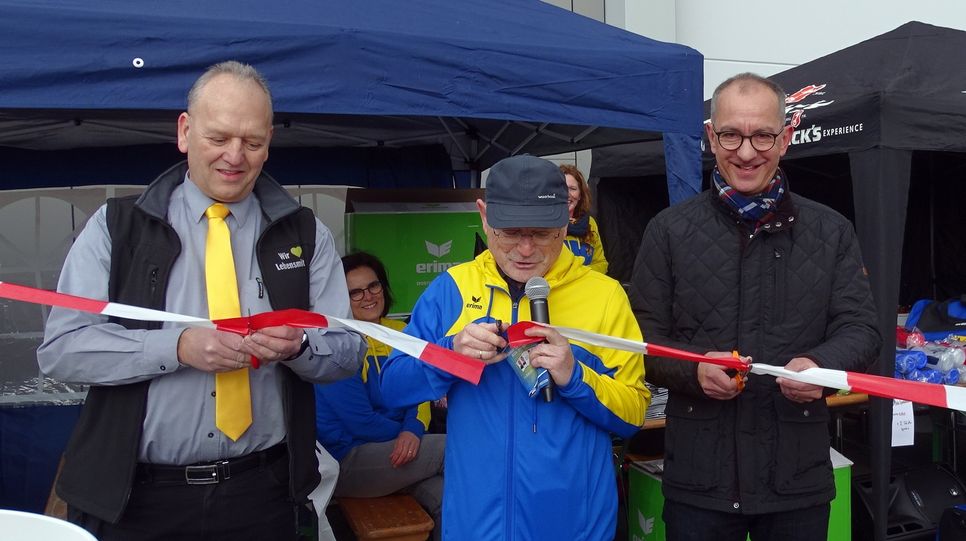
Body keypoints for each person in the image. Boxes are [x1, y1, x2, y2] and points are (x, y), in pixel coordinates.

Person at [37, 61, 366, 541]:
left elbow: (348, 351)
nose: (235, 156)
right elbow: (62, 348)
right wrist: (176, 348)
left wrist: (299, 349)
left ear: (269, 141)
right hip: (139, 500)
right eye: (219, 138)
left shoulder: (304, 233)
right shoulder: (117, 228)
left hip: (266, 493)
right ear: (185, 132)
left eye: (253, 142)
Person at [628, 72, 881, 541]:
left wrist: (820, 365)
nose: (746, 152)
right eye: (731, 134)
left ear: (785, 138)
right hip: (700, 482)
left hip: (795, 480)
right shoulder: (668, 231)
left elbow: (862, 328)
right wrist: (693, 370)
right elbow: (642, 339)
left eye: (762, 134)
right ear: (711, 136)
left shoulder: (831, 231)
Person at [380, 154, 649, 541]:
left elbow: (634, 412)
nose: (525, 249)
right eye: (509, 232)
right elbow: (391, 389)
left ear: (566, 218)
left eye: (541, 233)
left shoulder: (605, 296)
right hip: (476, 522)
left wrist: (575, 375)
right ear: (484, 215)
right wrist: (449, 353)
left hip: (574, 523)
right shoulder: (451, 289)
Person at [314, 252, 445, 541]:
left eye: (373, 286)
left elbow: (416, 394)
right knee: (454, 447)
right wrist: (406, 435)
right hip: (349, 460)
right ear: (339, 297)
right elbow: (361, 422)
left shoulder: (401, 333)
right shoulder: (336, 343)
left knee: (448, 498)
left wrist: (412, 430)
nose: (368, 296)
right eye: (355, 292)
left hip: (397, 455)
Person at [560, 164, 608, 274]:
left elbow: (601, 263)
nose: (567, 194)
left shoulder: (589, 223)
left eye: (572, 189)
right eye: (562, 188)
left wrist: (580, 274)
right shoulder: (545, 223)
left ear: (580, 195)